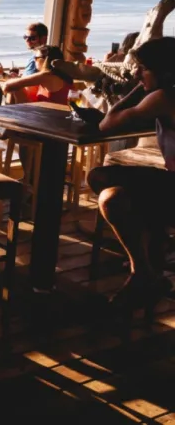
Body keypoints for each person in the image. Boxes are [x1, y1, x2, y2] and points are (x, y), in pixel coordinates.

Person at [88, 37, 175, 308]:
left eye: (143, 69)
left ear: (165, 72)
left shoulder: (162, 98)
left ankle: (143, 272)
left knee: (112, 199)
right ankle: (155, 246)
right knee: (99, 176)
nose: (137, 74)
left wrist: (138, 89)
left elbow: (106, 124)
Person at [2, 45, 72, 104]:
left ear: (46, 59)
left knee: (16, 88)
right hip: (50, 111)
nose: (34, 60)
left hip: (51, 114)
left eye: (36, 58)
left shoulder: (47, 75)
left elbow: (7, 86)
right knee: (16, 88)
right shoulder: (60, 74)